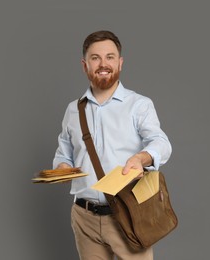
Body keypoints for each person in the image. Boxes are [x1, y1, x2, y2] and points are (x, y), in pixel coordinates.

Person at [53, 30, 172, 260]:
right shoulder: (73, 110)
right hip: (83, 217)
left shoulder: (139, 105)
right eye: (95, 58)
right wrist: (61, 167)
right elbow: (64, 153)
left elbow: (161, 143)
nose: (103, 63)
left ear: (120, 62)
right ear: (85, 65)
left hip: (128, 214)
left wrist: (141, 159)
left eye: (110, 57)